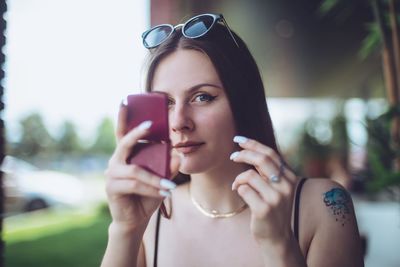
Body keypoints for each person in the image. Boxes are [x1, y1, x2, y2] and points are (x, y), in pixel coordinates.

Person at [101, 13, 364, 267]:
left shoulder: (324, 205)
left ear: (244, 103)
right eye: (166, 102)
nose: (179, 121)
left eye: (202, 97)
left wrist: (279, 244)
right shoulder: (150, 215)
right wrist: (125, 229)